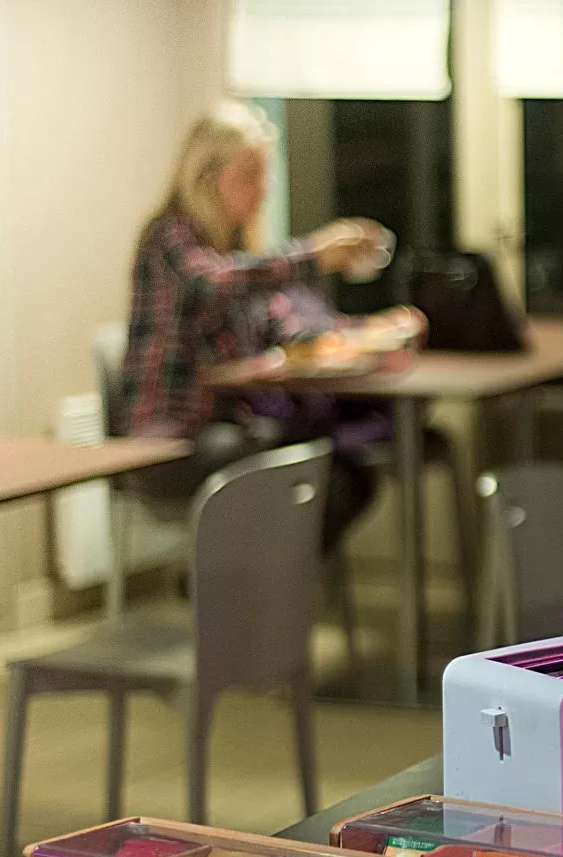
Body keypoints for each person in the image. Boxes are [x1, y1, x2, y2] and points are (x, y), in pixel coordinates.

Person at [120, 100, 413, 551]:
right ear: (207, 177)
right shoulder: (169, 241)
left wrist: (368, 331)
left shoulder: (237, 248)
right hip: (173, 441)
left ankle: (259, 589)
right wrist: (313, 253)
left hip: (231, 428)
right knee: (316, 469)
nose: (264, 189)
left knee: (349, 469)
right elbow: (214, 284)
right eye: (250, 175)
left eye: (265, 174)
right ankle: (242, 587)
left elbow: (286, 323)